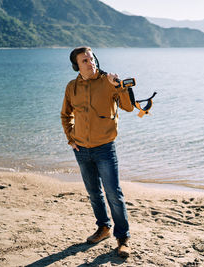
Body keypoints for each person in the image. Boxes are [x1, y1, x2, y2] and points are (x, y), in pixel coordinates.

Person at [60, 46, 134, 257]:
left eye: (91, 58)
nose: (90, 62)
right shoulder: (71, 87)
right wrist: (71, 138)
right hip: (81, 149)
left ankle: (123, 238)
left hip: (104, 148)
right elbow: (65, 115)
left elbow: (128, 108)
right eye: (84, 60)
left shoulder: (108, 82)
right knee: (94, 193)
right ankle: (103, 228)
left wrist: (119, 86)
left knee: (114, 194)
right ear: (76, 65)